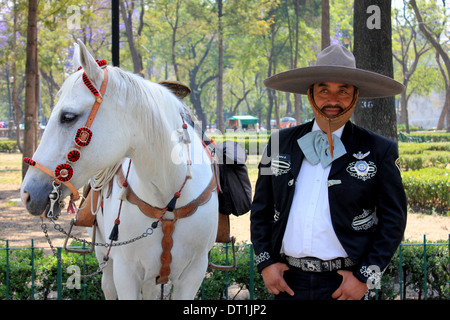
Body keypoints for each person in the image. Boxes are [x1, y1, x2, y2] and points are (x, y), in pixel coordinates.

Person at [250, 44, 407, 300]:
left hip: (345, 285)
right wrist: (265, 264)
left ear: (355, 95)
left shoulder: (380, 150)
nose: (333, 100)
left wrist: (366, 278)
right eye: (324, 90)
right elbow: (261, 210)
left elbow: (394, 221)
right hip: (288, 282)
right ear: (311, 94)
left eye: (343, 91)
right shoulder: (279, 141)